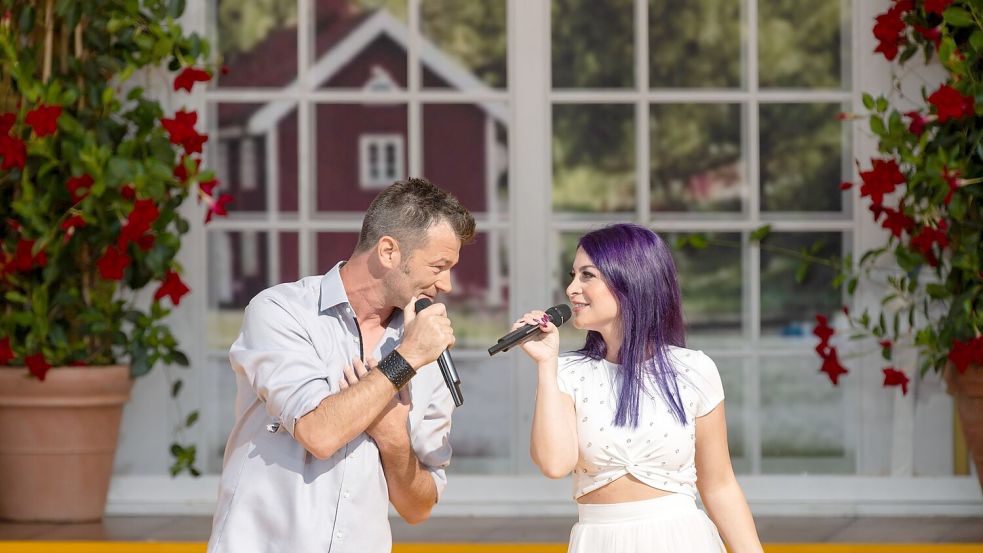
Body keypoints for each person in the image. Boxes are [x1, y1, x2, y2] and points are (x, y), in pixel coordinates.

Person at [207, 178, 475, 553]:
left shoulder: (428, 348)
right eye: (438, 266)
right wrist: (406, 359)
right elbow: (318, 433)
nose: (447, 284)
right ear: (388, 251)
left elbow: (418, 508)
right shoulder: (281, 311)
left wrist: (394, 440)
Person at [514, 223, 763, 553]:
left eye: (587, 275)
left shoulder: (694, 369)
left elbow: (719, 485)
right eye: (573, 275)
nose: (571, 289)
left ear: (630, 280)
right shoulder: (566, 372)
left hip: (682, 539)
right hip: (599, 542)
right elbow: (554, 464)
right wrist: (546, 364)